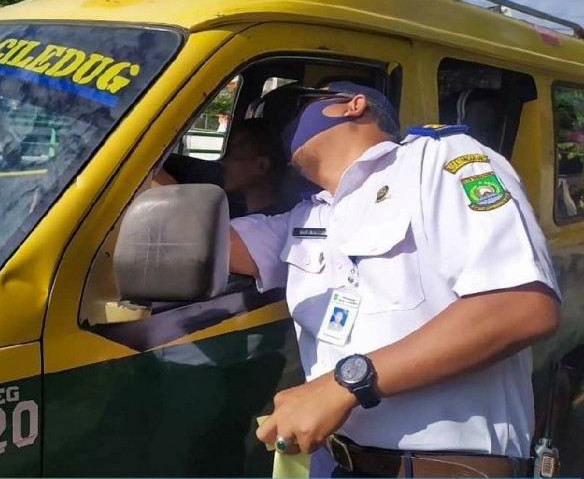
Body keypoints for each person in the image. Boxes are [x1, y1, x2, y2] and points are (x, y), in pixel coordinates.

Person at [228, 81, 560, 477]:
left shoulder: (437, 161)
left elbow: (520, 306)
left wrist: (345, 384)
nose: (287, 127)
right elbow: (193, 239)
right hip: (334, 462)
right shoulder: (307, 217)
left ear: (353, 105)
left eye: (300, 106)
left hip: (442, 468)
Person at [153, 118, 292, 217]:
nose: (224, 162)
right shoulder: (234, 210)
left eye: (234, 153)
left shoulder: (259, 227)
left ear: (261, 166)